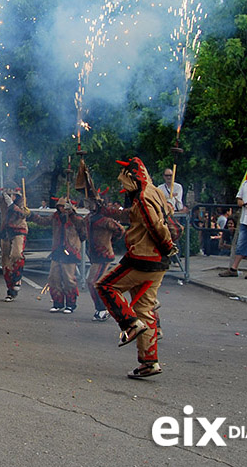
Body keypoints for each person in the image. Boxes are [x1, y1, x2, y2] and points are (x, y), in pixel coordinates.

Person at [95, 157, 176, 379]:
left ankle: (129, 324)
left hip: (143, 257)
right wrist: (106, 208)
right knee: (144, 310)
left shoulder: (142, 197)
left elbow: (154, 224)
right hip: (157, 262)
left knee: (105, 286)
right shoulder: (156, 192)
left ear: (133, 177)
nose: (123, 187)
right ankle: (149, 362)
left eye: (124, 182)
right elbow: (138, 215)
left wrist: (167, 244)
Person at [30, 196, 86, 313]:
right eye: (60, 206)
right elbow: (43, 221)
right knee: (53, 278)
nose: (61, 208)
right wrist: (31, 215)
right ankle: (57, 303)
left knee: (69, 279)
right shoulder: (56, 216)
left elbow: (83, 231)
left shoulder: (76, 218)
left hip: (70, 251)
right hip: (57, 251)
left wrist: (71, 214)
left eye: (63, 206)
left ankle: (71, 304)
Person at [84, 195, 125, 321]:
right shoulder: (88, 218)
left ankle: (103, 309)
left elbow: (120, 230)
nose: (89, 205)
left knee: (93, 282)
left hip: (103, 255)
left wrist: (110, 241)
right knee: (94, 282)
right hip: (94, 255)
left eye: (91, 203)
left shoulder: (105, 220)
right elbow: (79, 225)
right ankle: (102, 308)